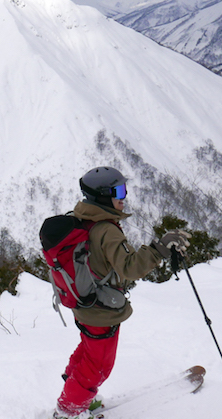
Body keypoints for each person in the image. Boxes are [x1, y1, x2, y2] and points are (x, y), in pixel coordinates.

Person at [53, 166, 191, 419]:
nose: (123, 196)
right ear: (103, 197)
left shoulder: (81, 217)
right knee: (99, 366)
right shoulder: (106, 229)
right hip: (99, 309)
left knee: (88, 351)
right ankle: (69, 410)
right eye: (118, 191)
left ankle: (78, 396)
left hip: (81, 301)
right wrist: (160, 249)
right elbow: (129, 268)